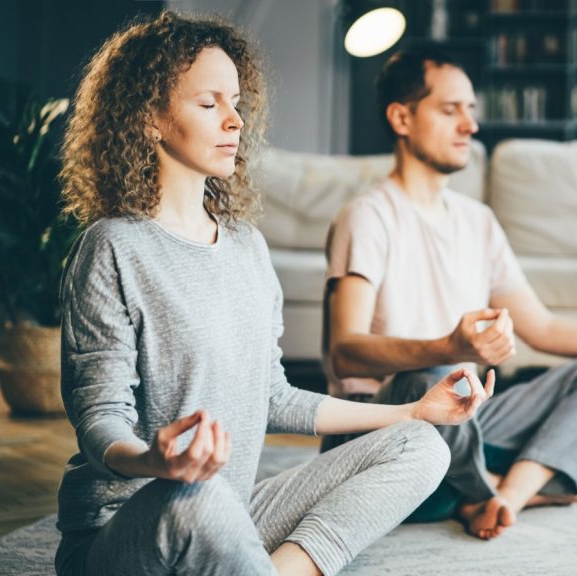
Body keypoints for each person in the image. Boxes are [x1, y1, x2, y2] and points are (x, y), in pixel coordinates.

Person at [56, 15, 494, 576]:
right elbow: (99, 420)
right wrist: (155, 460)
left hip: (231, 510)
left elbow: (273, 396)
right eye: (209, 103)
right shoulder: (113, 248)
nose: (235, 121)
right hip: (134, 526)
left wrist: (412, 409)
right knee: (200, 497)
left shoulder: (247, 247)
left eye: (236, 101)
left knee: (420, 444)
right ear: (150, 118)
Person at [323, 49, 577, 541]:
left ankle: (500, 499)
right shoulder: (368, 216)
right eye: (450, 110)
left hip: (460, 422)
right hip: (380, 432)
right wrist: (449, 348)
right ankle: (491, 488)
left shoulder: (478, 222)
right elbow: (345, 351)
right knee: (441, 375)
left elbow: (544, 328)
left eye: (472, 110)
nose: (470, 126)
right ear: (402, 117)